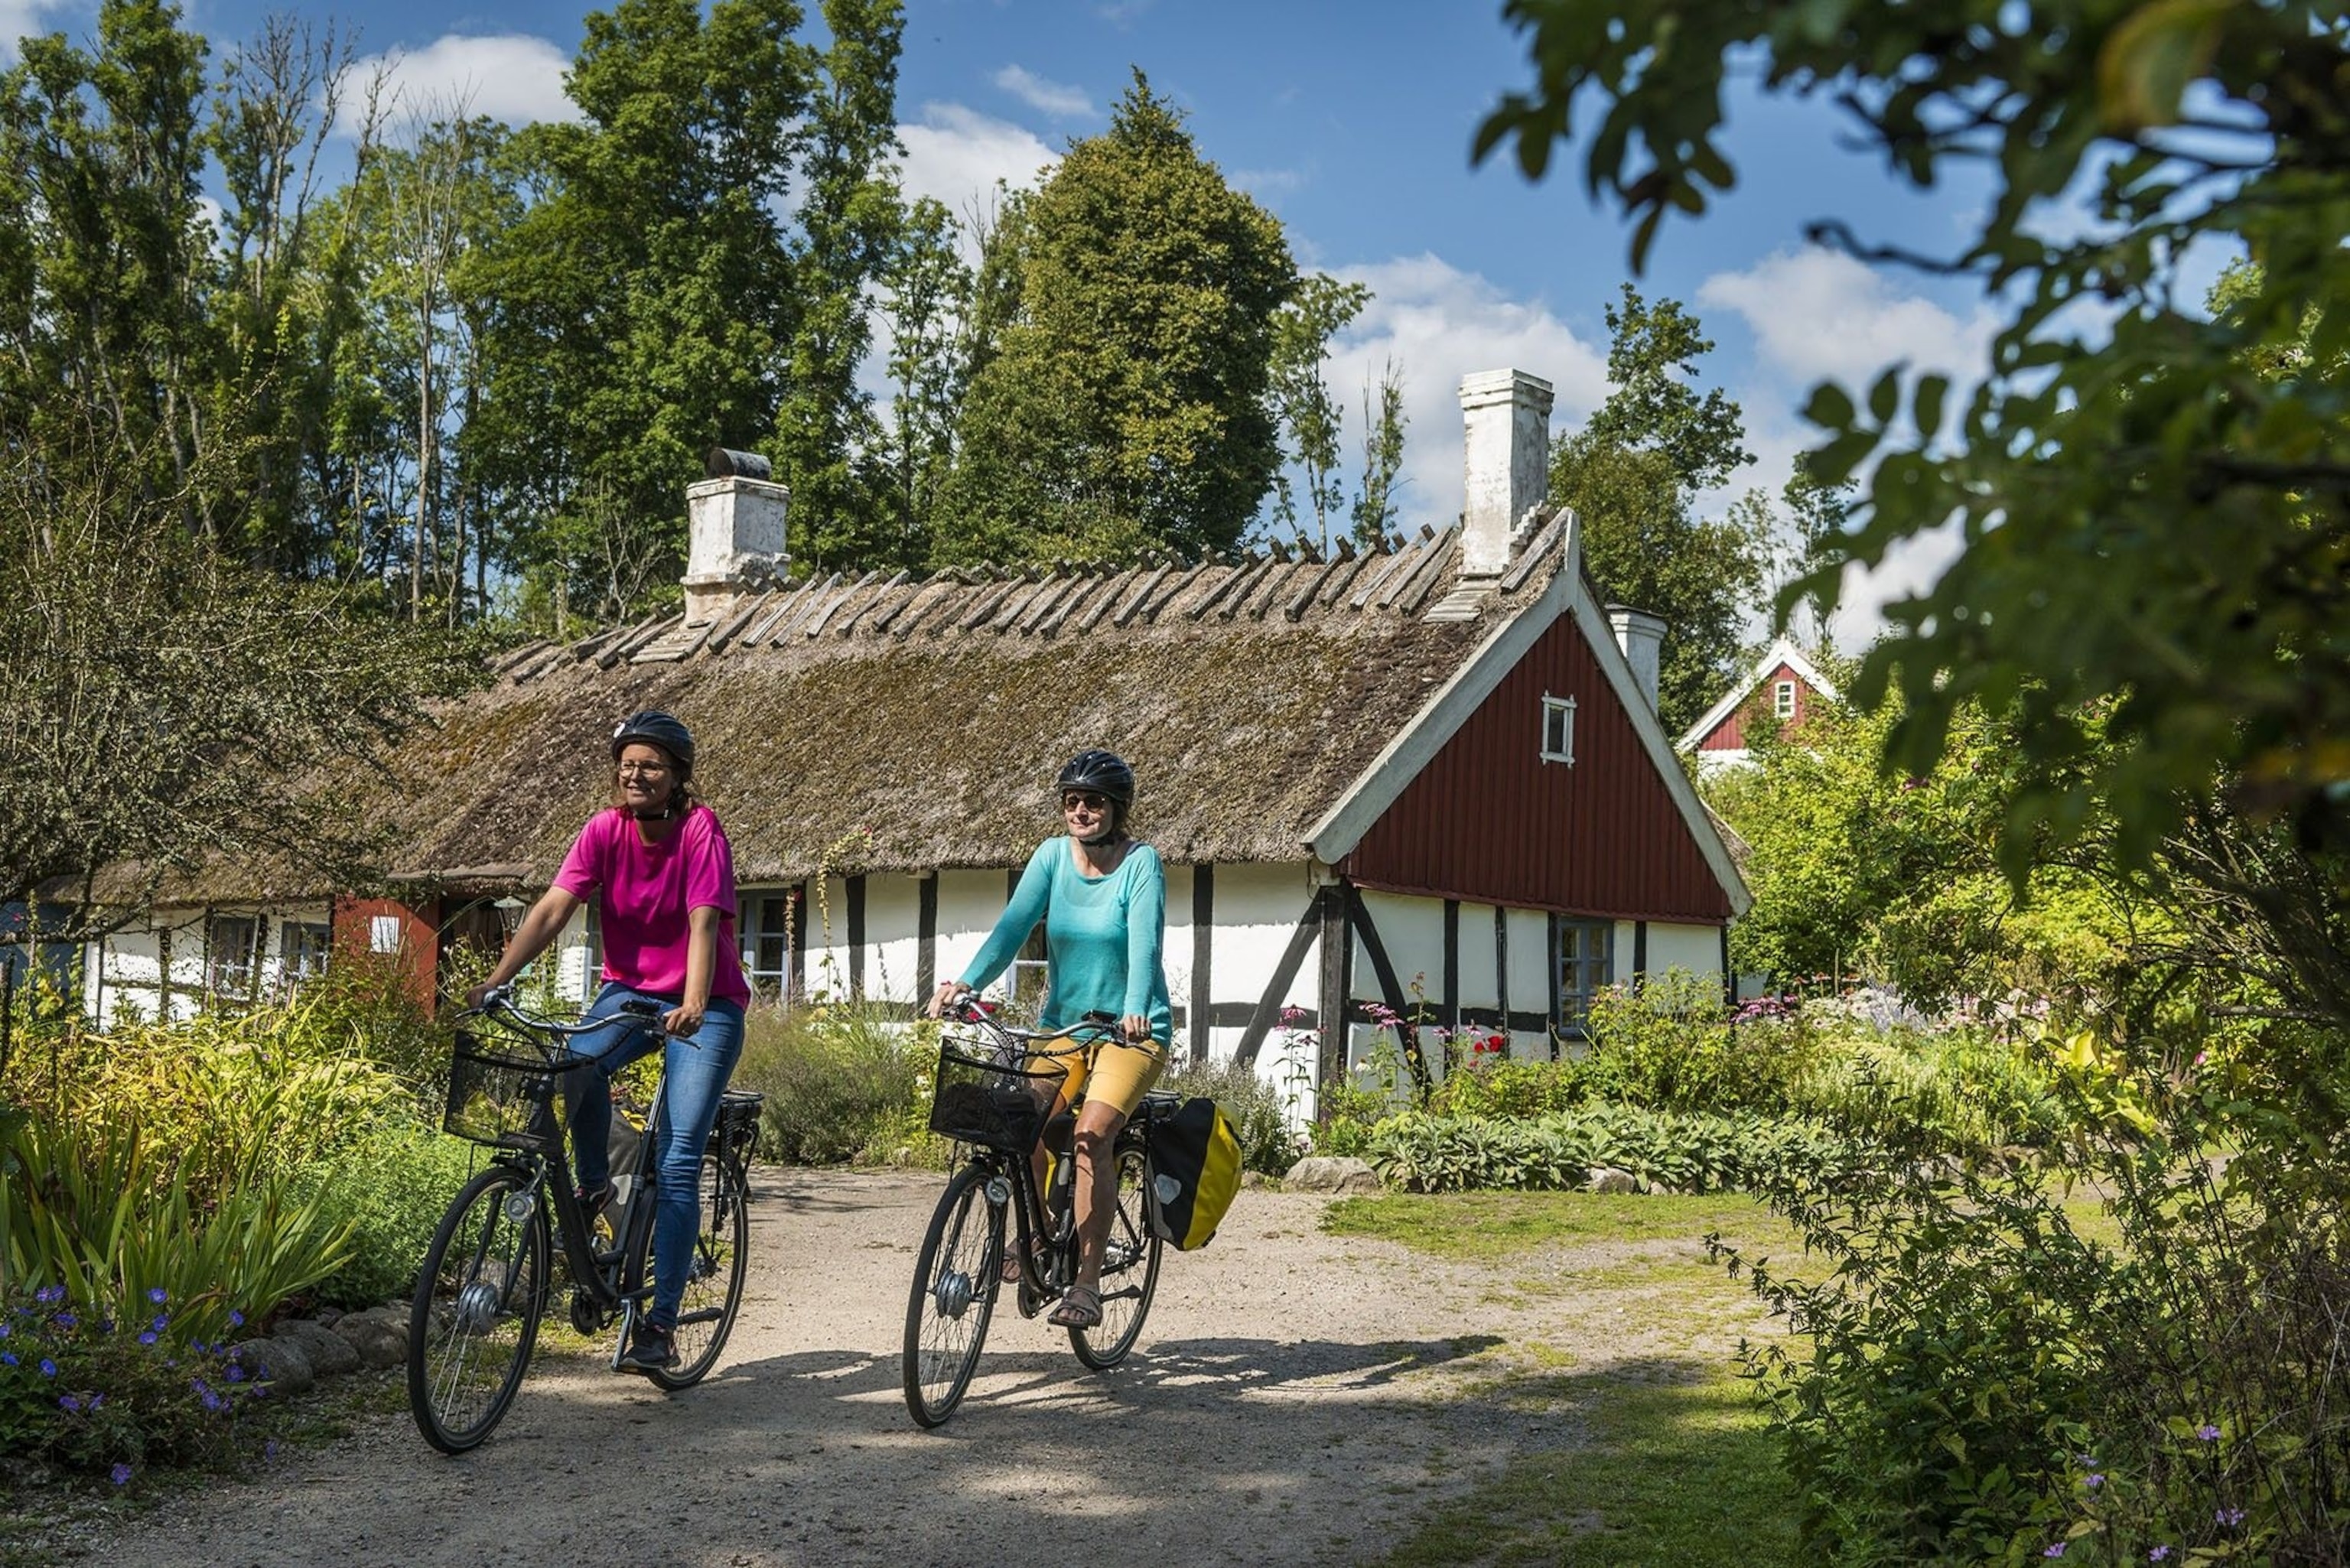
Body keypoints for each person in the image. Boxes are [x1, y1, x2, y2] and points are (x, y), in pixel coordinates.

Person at [464, 709, 750, 1374]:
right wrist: (495, 980)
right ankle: (595, 1187)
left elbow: (703, 922)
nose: (635, 773)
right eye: (627, 762)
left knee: (679, 1160)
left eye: (651, 764)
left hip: (705, 1004)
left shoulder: (700, 830)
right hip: (628, 991)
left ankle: (660, 1324)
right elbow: (552, 910)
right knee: (575, 1066)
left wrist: (696, 1001)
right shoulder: (602, 831)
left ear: (677, 776)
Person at [927, 749, 1172, 1329]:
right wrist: (966, 984)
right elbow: (1013, 929)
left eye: (1093, 802)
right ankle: (1037, 1237)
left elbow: (1145, 944)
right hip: (1064, 1026)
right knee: (1019, 1122)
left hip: (1130, 1033)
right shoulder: (1050, 859)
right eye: (1071, 802)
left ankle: (1086, 1283)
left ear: (1117, 809)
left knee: (1091, 1135)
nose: (1081, 811)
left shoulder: (1142, 864)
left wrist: (1136, 1008)